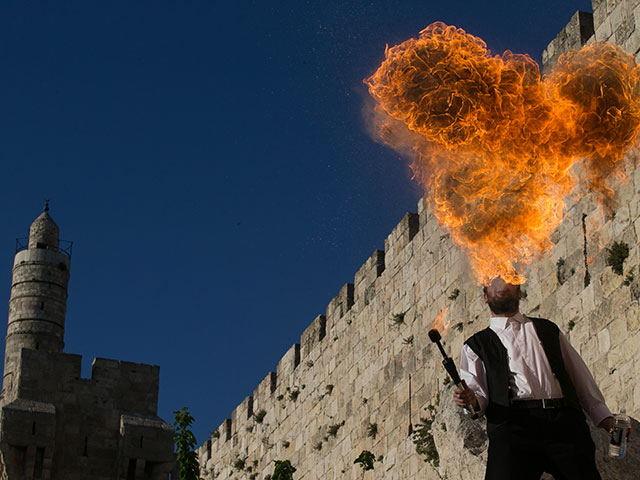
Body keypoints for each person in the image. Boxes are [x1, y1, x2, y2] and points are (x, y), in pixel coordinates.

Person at [453, 277, 617, 480]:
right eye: (492, 281)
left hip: (563, 424)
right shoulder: (475, 346)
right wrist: (469, 400)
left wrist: (605, 418)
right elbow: (478, 397)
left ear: (520, 292)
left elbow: (579, 376)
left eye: (506, 278)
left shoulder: (547, 330)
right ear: (485, 298)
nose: (500, 282)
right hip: (513, 428)